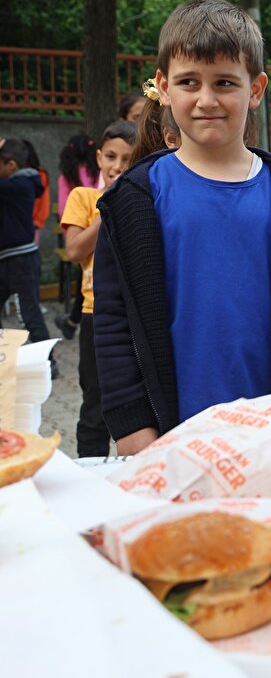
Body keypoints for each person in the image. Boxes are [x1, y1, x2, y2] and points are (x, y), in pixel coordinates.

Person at [93, 0, 271, 456]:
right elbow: (112, 319)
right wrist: (132, 427)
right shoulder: (132, 200)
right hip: (168, 439)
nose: (206, 99)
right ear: (164, 87)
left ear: (256, 89)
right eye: (189, 82)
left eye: (225, 82)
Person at [61, 121, 135, 457]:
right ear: (99, 158)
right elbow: (75, 250)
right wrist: (107, 208)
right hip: (95, 314)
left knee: (135, 398)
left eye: (128, 160)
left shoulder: (141, 201)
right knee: (95, 399)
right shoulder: (84, 197)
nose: (117, 166)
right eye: (111, 156)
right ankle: (89, 469)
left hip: (134, 313)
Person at [0, 138, 54, 364]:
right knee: (29, 312)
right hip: (10, 258)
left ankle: (49, 363)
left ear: (11, 165)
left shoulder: (19, 185)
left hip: (20, 259)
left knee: (29, 313)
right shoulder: (17, 184)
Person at [54, 133, 101, 340]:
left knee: (87, 274)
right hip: (99, 229)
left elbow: (63, 209)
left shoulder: (66, 177)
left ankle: (72, 321)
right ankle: (73, 321)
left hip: (79, 231)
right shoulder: (95, 173)